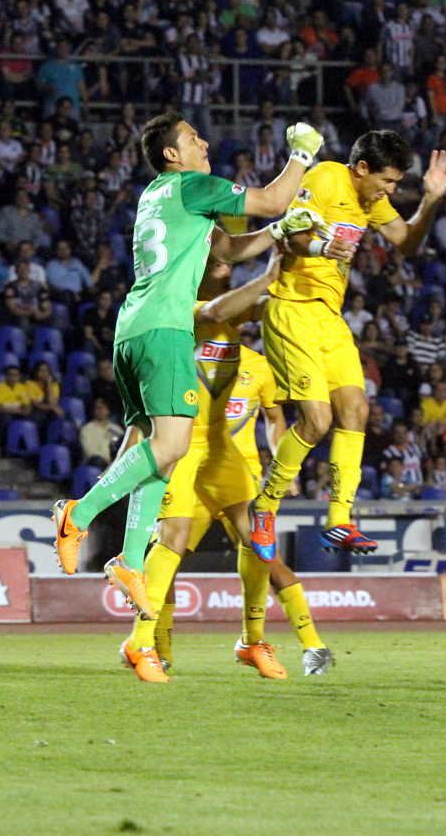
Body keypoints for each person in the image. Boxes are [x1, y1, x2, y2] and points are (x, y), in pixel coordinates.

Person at [52, 112, 327, 619]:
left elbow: (228, 248)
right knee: (173, 444)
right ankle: (79, 513)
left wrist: (278, 232)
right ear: (172, 155)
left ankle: (132, 559)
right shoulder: (192, 185)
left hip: (133, 329)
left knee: (162, 452)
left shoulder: (159, 195)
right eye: (193, 138)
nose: (204, 143)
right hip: (167, 331)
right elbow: (272, 196)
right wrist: (303, 155)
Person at [121, 257, 333, 682]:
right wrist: (271, 272)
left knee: (258, 542)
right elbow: (216, 310)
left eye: (225, 262)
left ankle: (255, 641)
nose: (223, 264)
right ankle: (146, 645)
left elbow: (272, 309)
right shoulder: (176, 304)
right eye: (214, 261)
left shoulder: (251, 351)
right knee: (172, 543)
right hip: (181, 442)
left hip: (222, 451)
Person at [248, 131, 446, 562]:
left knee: (357, 410)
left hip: (330, 316)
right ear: (361, 169)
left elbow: (407, 243)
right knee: (317, 420)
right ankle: (265, 508)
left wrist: (431, 201)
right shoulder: (325, 178)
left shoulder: (370, 200)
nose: (391, 191)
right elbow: (293, 233)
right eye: (387, 181)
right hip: (292, 307)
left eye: (397, 184)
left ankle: (338, 518)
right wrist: (326, 245)